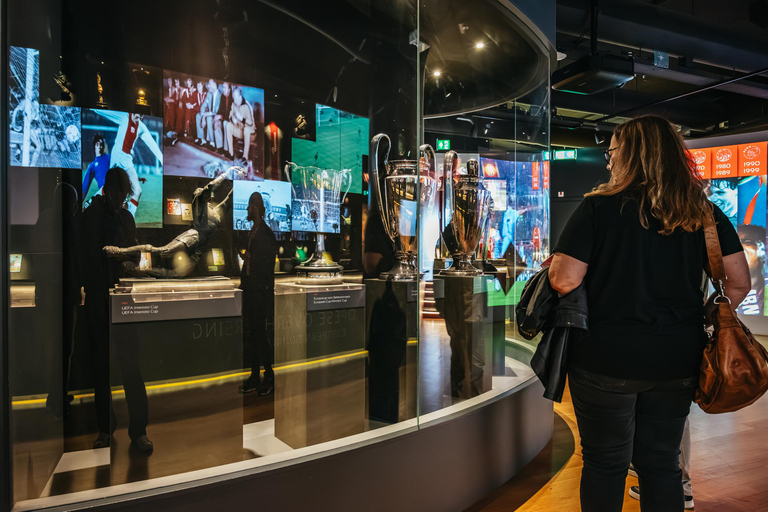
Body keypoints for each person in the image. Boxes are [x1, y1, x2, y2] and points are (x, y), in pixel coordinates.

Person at [548, 115, 750, 512]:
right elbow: (739, 284)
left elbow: (564, 280)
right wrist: (703, 318)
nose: (608, 162)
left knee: (606, 464)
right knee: (661, 465)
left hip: (605, 358)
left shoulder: (596, 209)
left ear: (631, 155)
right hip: (677, 360)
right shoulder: (704, 213)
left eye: (612, 152)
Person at [81, 167, 153, 453]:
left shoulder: (124, 217)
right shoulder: (92, 217)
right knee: (103, 369)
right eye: (120, 196)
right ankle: (107, 430)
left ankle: (137, 431)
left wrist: (130, 263)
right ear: (109, 191)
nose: (122, 201)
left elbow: (132, 254)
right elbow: (90, 258)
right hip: (101, 300)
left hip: (122, 300)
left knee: (130, 368)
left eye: (125, 197)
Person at [239, 192, 278, 395]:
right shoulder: (256, 232)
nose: (246, 209)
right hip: (252, 292)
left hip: (259, 294)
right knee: (253, 335)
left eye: (249, 206)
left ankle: (268, 376)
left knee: (259, 335)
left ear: (255, 207)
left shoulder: (264, 234)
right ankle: (256, 376)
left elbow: (265, 267)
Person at [92, 110, 164, 216]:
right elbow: (107, 113)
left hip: (126, 159)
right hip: (117, 155)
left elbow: (152, 143)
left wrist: (162, 159)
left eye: (140, 117)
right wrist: (93, 108)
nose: (138, 119)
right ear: (133, 113)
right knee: (109, 187)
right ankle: (91, 203)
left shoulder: (141, 127)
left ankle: (129, 217)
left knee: (138, 191)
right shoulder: (124, 117)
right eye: (137, 116)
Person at [225, 86, 255, 161]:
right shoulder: (233, 104)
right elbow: (230, 116)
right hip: (240, 131)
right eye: (233, 97)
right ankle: (231, 154)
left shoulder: (247, 106)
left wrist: (241, 118)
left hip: (251, 134)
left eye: (236, 97)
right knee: (228, 125)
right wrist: (233, 119)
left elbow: (251, 123)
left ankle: (245, 157)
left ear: (240, 96)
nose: (234, 99)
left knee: (247, 129)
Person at [82, 134, 110, 201]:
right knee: (88, 205)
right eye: (97, 144)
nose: (100, 146)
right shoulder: (92, 165)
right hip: (103, 194)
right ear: (94, 146)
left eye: (101, 144)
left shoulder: (110, 158)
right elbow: (85, 187)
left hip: (112, 190)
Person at [196, 79, 220, 148]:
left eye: (209, 84)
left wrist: (206, 115)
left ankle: (212, 142)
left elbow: (216, 111)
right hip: (209, 114)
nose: (208, 85)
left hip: (216, 116)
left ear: (214, 85)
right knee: (198, 115)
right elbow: (203, 106)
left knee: (209, 118)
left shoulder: (219, 95)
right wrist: (203, 115)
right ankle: (203, 140)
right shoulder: (209, 94)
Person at [213, 81, 232, 155]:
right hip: (224, 119)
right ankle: (220, 147)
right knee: (216, 123)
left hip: (231, 121)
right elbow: (220, 110)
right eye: (223, 87)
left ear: (229, 89)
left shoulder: (233, 97)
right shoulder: (222, 97)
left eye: (224, 87)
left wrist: (221, 116)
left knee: (225, 123)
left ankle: (226, 150)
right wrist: (217, 117)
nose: (223, 89)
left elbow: (231, 114)